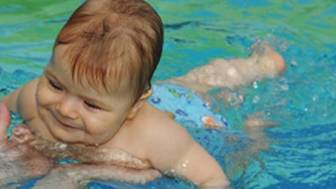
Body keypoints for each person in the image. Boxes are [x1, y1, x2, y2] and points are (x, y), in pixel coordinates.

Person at [0, 0, 285, 188]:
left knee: (216, 108)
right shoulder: (35, 97)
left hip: (191, 114)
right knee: (188, 81)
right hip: (141, 94)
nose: (64, 108)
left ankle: (261, 66)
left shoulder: (155, 138)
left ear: (135, 106)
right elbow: (3, 107)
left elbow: (212, 178)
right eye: (56, 84)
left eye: (90, 104)